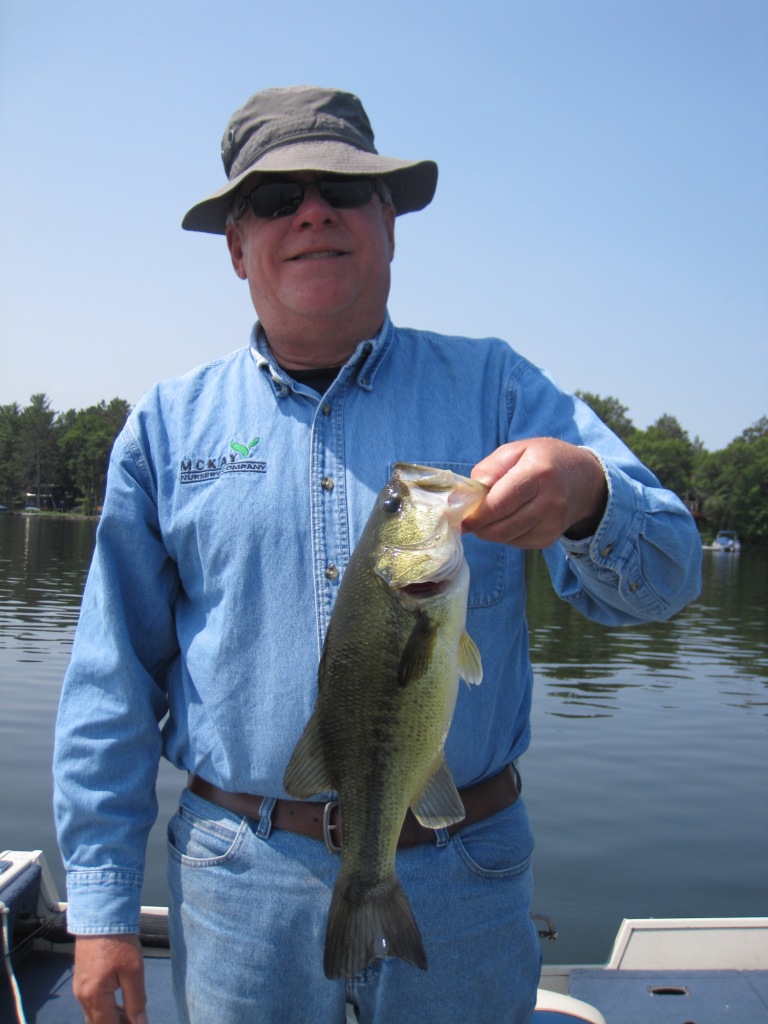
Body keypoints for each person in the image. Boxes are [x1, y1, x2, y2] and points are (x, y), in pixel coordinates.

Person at [53, 85, 702, 1024]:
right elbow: (109, 684)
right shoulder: (165, 427)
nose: (312, 211)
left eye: (344, 191)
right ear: (238, 247)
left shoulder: (500, 387)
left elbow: (668, 580)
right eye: (276, 199)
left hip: (465, 873)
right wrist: (104, 907)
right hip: (239, 881)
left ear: (388, 224)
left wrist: (591, 494)